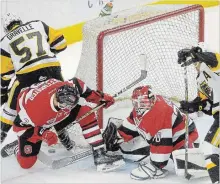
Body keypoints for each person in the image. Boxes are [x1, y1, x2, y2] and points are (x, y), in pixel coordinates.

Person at [11, 77, 124, 171]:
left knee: (85, 110)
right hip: (31, 116)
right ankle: (17, 147)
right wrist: (43, 134)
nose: (69, 109)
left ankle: (100, 155)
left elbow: (83, 89)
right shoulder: (34, 111)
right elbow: (17, 127)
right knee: (27, 164)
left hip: (48, 101)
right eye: (67, 107)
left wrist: (100, 98)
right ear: (59, 102)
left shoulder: (71, 86)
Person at [0, 13, 70, 148]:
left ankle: (2, 134)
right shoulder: (38, 24)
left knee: (11, 104)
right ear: (20, 21)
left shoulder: (3, 42)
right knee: (60, 97)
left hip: (28, 76)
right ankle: (64, 136)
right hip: (52, 70)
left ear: (6, 29)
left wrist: (3, 93)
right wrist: (46, 55)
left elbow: (5, 75)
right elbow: (62, 44)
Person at [102, 85, 199, 180]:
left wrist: (156, 165)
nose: (140, 106)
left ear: (152, 100)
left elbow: (163, 142)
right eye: (137, 103)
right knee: (140, 147)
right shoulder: (144, 107)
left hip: (186, 135)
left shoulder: (160, 113)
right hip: (172, 130)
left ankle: (156, 168)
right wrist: (119, 135)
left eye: (144, 103)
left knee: (187, 166)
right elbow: (134, 121)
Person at [177, 46, 219, 183]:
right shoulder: (200, 79)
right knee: (211, 150)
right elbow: (206, 104)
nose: (195, 65)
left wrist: (194, 53)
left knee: (209, 149)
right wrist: (192, 106)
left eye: (196, 61)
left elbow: (212, 58)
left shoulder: (215, 65)